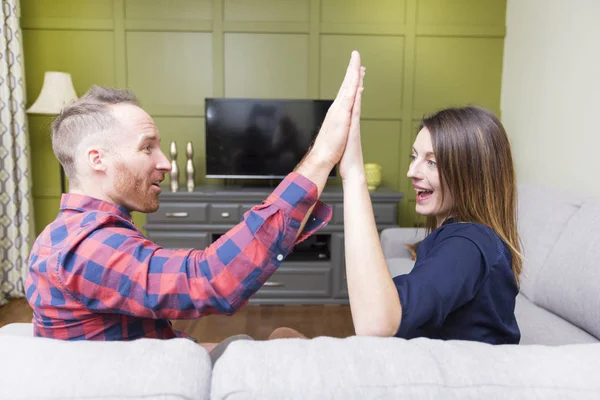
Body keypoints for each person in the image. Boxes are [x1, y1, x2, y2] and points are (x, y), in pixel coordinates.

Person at [25, 51, 365, 359]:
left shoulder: (65, 235)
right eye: (147, 148)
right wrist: (321, 156)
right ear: (97, 159)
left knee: (279, 338)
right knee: (288, 343)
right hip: (153, 380)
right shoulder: (89, 248)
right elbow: (209, 277)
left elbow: (137, 332)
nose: (165, 162)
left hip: (156, 361)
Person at [339, 84, 523, 344]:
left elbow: (377, 321)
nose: (411, 172)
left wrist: (354, 175)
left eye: (431, 161)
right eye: (414, 157)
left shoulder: (469, 244)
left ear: (472, 175)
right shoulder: (467, 237)